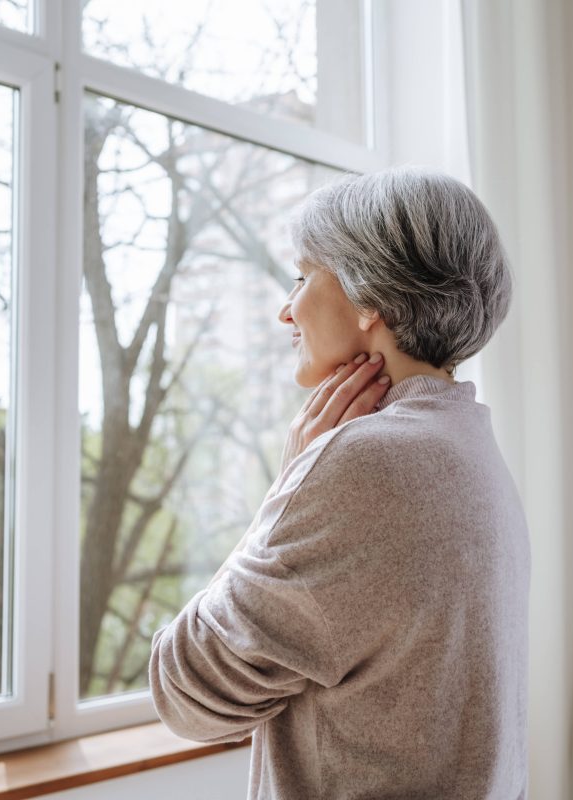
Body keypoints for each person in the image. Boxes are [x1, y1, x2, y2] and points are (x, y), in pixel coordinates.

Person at [149, 166, 530, 799]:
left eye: (301, 278)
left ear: (367, 298)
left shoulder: (364, 463)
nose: (285, 310)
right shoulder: (471, 444)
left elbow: (185, 692)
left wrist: (285, 491)